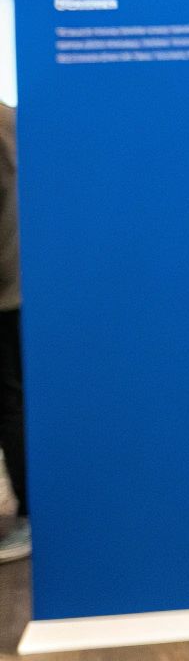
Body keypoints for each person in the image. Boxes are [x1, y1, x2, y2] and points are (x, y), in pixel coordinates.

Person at [0, 102, 26, 564]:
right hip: (19, 287)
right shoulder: (11, 118)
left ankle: (29, 515)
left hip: (4, 291)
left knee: (10, 404)